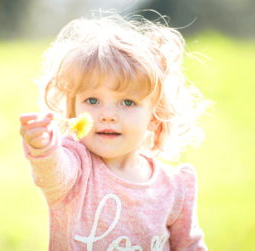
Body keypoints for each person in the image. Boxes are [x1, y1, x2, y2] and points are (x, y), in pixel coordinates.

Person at [19, 11, 210, 251]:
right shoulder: (76, 169)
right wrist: (44, 146)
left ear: (154, 116)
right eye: (92, 100)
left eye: (127, 102)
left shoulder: (175, 186)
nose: (107, 114)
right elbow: (53, 170)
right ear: (72, 109)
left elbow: (189, 245)